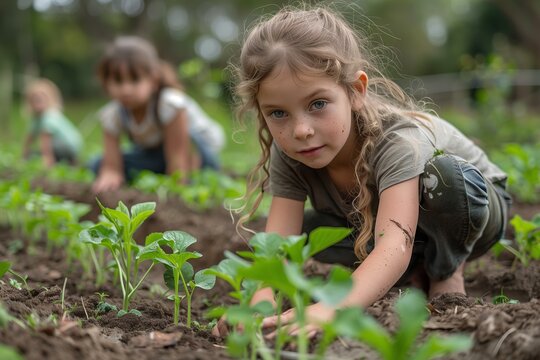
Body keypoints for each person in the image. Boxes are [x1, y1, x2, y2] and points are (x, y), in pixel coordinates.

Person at [212, 6, 512, 337]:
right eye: (278, 113)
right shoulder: (292, 154)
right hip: (391, 224)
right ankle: (415, 272)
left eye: (317, 104)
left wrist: (330, 308)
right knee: (308, 235)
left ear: (355, 91)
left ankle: (445, 269)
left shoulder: (398, 140)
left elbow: (394, 243)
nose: (300, 130)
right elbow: (279, 245)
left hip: (473, 212)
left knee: (443, 178)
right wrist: (258, 308)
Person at [90, 36, 225, 193]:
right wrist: (111, 172)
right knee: (97, 164)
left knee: (187, 147)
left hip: (196, 153)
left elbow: (177, 156)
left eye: (135, 80)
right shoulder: (113, 114)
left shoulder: (169, 103)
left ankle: (192, 178)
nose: (126, 89)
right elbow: (111, 164)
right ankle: (158, 176)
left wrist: (176, 185)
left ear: (153, 81)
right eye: (118, 81)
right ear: (106, 82)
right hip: (157, 155)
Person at [23, 78, 82, 167]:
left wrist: (47, 159)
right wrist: (24, 153)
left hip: (67, 147)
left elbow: (46, 141)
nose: (38, 101)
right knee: (33, 154)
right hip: (57, 148)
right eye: (35, 99)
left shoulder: (50, 116)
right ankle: (65, 162)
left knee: (40, 151)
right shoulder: (36, 118)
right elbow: (30, 137)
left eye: (41, 98)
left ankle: (66, 161)